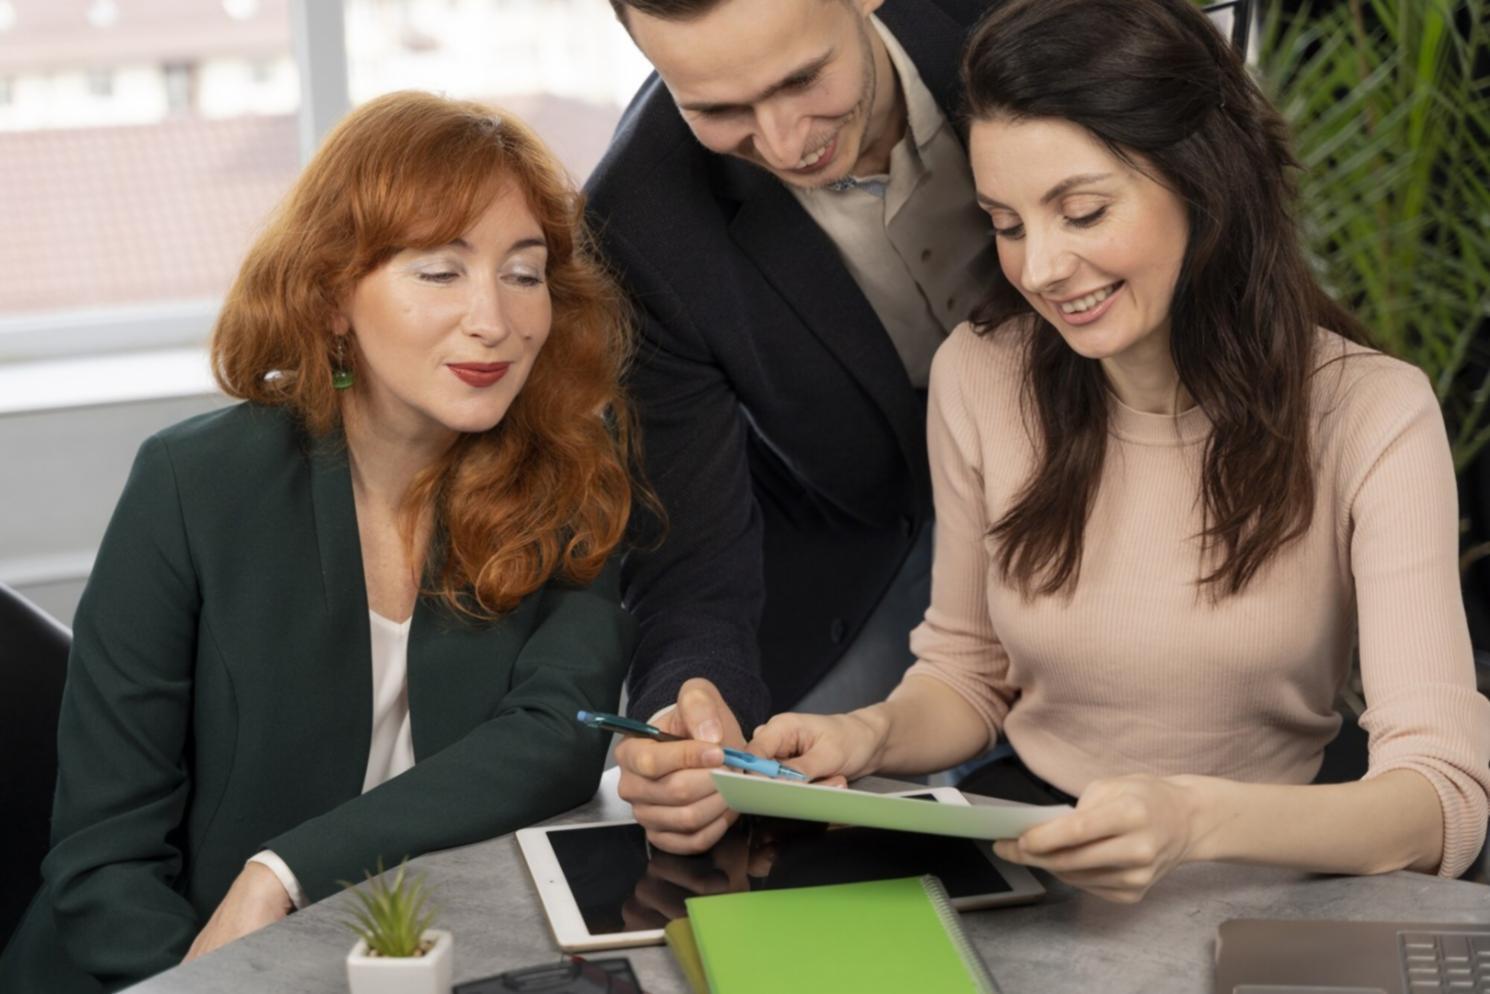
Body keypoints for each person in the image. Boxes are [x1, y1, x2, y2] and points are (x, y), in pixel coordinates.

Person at [751, 0, 1490, 898]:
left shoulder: (1372, 412)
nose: (1040, 269)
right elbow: (967, 676)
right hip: (1033, 844)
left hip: (1275, 862)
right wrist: (866, 735)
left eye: (1083, 212)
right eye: (1008, 225)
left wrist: (1192, 819)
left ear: (1203, 183)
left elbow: (1440, 800)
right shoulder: (979, 375)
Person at [0, 91, 641, 991]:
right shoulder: (192, 484)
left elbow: (557, 737)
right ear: (334, 296)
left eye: (524, 273)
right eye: (440, 272)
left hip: (431, 958)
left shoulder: (570, 465)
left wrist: (282, 873)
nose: (495, 320)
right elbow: (105, 857)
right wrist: (208, 979)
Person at [589, 0, 1001, 854]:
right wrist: (686, 703)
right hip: (860, 554)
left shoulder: (1034, 19)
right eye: (718, 109)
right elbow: (689, 550)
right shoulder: (639, 221)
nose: (783, 144)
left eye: (804, 79)